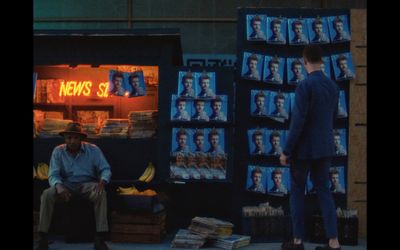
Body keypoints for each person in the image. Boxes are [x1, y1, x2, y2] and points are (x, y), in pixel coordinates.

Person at [280, 45, 342, 250]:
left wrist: (287, 150)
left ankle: (298, 241)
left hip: (303, 150)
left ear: (304, 61)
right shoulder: (333, 87)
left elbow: (298, 122)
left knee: (297, 192)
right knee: (324, 191)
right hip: (325, 147)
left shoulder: (304, 87)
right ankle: (334, 242)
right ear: (321, 61)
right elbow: (332, 119)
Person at [36, 122, 111, 250]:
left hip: (87, 184)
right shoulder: (58, 151)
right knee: (47, 194)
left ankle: (100, 237)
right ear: (65, 139)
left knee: (100, 193)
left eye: (76, 137)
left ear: (81, 138)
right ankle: (43, 237)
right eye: (69, 137)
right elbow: (53, 174)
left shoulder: (93, 149)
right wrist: (58, 186)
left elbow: (105, 169)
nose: (72, 141)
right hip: (66, 185)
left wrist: (102, 181)